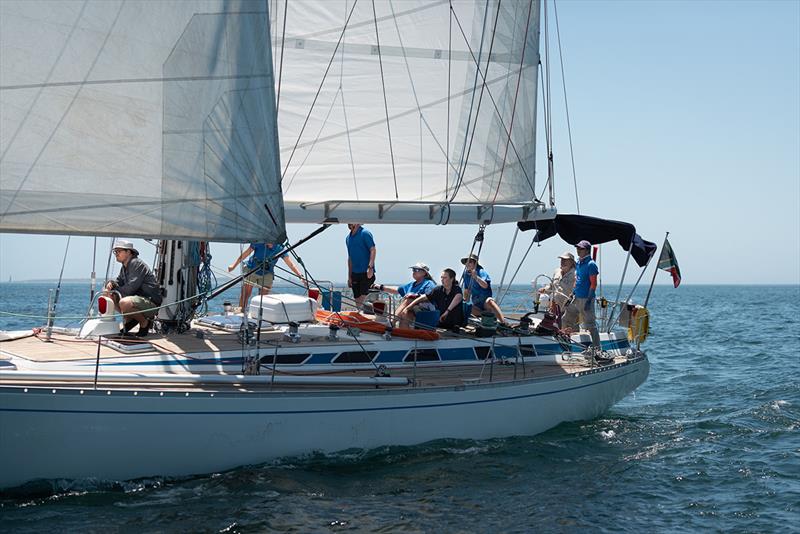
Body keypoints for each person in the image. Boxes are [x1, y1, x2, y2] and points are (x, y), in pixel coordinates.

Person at [104, 239, 162, 337]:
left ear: (128, 252)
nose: (116, 254)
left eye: (119, 251)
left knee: (124, 302)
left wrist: (115, 289)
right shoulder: (124, 267)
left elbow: (129, 289)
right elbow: (119, 282)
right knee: (110, 296)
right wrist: (111, 284)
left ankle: (144, 323)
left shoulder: (136, 264)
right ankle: (131, 321)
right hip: (138, 301)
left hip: (151, 303)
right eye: (115, 252)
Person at [228, 242, 304, 309]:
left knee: (263, 299)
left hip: (267, 272)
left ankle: (260, 316)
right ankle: (241, 312)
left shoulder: (279, 248)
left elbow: (290, 264)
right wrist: (234, 266)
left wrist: (301, 276)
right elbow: (245, 254)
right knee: (246, 294)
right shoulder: (258, 242)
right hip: (252, 269)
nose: (267, 242)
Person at [562, 240, 601, 351]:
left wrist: (589, 300)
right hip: (576, 297)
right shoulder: (578, 263)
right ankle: (566, 342)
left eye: (581, 248)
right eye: (577, 248)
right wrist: (572, 294)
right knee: (566, 319)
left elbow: (593, 284)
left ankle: (597, 348)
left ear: (587, 250)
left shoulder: (591, 265)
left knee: (590, 325)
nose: (578, 250)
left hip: (586, 298)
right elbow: (577, 280)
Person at [376, 262, 436, 328]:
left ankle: (391, 322)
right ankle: (403, 334)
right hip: (412, 309)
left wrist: (414, 296)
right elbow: (397, 290)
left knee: (409, 299)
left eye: (416, 270)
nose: (414, 272)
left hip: (426, 310)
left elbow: (430, 296)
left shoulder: (429, 283)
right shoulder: (411, 284)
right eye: (413, 270)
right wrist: (381, 287)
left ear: (424, 273)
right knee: (405, 314)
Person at [461, 253, 506, 325]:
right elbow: (467, 291)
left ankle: (503, 322)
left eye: (470, 261)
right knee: (465, 307)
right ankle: (486, 315)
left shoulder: (481, 271)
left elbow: (485, 285)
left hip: (485, 302)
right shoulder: (465, 275)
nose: (467, 263)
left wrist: (476, 277)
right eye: (466, 262)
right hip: (477, 303)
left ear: (475, 263)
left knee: (490, 301)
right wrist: (464, 299)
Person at [346, 223, 376, 309]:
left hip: (365, 273)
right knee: (358, 302)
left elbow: (373, 249)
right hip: (355, 273)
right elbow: (350, 258)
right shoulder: (348, 238)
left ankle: (365, 318)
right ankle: (360, 318)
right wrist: (349, 276)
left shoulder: (365, 233)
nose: (349, 223)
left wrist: (370, 267)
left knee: (363, 301)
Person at [538, 251, 576, 319]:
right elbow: (552, 286)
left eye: (565, 260)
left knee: (567, 327)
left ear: (571, 262)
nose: (562, 261)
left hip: (567, 307)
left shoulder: (576, 274)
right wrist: (545, 289)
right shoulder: (557, 271)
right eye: (562, 260)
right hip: (554, 306)